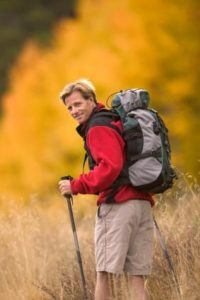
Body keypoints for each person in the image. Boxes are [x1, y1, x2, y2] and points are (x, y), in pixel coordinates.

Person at [58, 79, 154, 300]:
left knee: (104, 274)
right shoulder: (115, 121)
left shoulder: (98, 127)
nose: (74, 111)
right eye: (69, 107)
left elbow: (110, 167)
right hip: (141, 202)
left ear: (91, 100)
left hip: (119, 206)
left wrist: (75, 185)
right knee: (137, 278)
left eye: (78, 104)